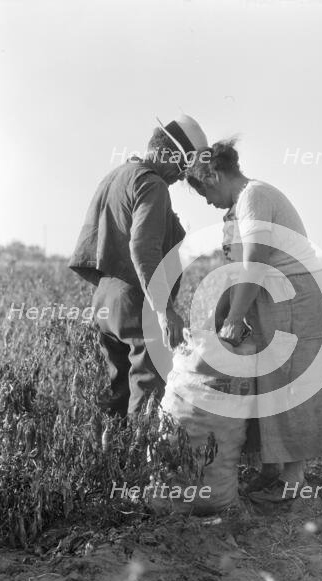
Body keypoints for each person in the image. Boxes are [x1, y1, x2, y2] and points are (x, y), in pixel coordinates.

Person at [186, 140, 322, 502]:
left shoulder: (254, 197)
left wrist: (233, 319)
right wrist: (217, 316)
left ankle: (293, 481)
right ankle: (273, 470)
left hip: (299, 300)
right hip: (279, 301)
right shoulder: (240, 207)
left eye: (204, 191)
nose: (207, 201)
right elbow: (236, 270)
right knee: (270, 380)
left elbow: (256, 263)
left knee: (290, 383)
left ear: (215, 175)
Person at [69, 114, 208, 419]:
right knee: (147, 392)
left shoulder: (118, 175)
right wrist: (164, 310)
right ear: (168, 153)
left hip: (106, 299)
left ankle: (111, 464)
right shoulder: (153, 183)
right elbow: (143, 248)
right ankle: (138, 466)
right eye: (182, 166)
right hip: (137, 301)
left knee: (116, 393)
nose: (180, 176)